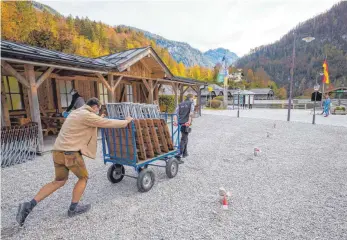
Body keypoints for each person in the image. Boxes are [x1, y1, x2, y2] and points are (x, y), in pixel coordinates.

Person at [16, 98, 133, 226]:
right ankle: (73, 208)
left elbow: (93, 120)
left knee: (59, 181)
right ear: (94, 107)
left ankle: (28, 205)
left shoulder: (76, 112)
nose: (97, 112)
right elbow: (106, 122)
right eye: (98, 109)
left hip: (57, 151)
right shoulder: (87, 115)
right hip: (70, 153)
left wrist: (99, 117)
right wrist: (125, 122)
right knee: (83, 178)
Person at [173, 94, 194, 163]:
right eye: (192, 98)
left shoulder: (180, 104)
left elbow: (175, 113)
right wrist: (189, 121)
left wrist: (176, 121)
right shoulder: (191, 103)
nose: (193, 99)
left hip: (180, 123)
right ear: (191, 98)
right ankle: (178, 155)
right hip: (185, 123)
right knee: (184, 139)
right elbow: (191, 113)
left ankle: (185, 152)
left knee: (185, 137)